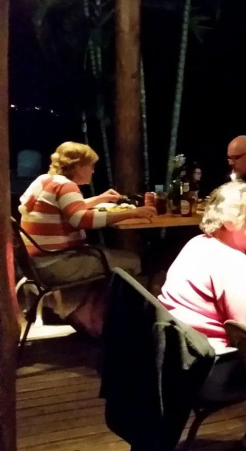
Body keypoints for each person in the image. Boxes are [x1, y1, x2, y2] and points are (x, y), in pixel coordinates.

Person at [18, 142, 156, 333]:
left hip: (35, 263)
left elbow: (68, 208)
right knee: (132, 261)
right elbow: (81, 219)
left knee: (108, 259)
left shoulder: (45, 180)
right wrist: (132, 213)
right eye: (90, 165)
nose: (93, 171)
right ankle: (116, 323)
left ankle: (89, 313)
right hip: (56, 264)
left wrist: (99, 199)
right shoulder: (66, 186)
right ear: (77, 166)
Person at [159, 181, 246, 353]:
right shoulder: (232, 264)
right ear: (228, 220)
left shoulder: (197, 244)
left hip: (183, 351)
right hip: (220, 360)